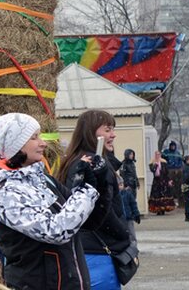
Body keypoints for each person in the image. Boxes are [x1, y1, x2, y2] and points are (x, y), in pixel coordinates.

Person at [0, 112, 99, 289]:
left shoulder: (45, 180)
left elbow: (85, 218)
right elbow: (55, 231)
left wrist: (96, 179)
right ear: (16, 145)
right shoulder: (7, 194)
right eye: (34, 137)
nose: (43, 143)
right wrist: (87, 191)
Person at [58, 110, 133, 290]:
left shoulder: (76, 160)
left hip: (85, 249)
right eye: (107, 130)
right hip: (97, 250)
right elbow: (98, 211)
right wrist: (123, 234)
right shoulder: (90, 165)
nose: (113, 134)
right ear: (91, 132)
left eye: (112, 129)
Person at [148, 151, 176, 215]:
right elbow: (152, 170)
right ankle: (158, 209)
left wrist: (169, 180)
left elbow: (166, 172)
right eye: (156, 154)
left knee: (164, 195)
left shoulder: (163, 162)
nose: (157, 156)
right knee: (157, 195)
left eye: (159, 154)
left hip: (163, 180)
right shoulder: (152, 162)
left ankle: (163, 208)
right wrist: (155, 165)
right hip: (156, 181)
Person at [118, 176, 141, 244]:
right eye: (118, 185)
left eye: (121, 185)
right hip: (119, 218)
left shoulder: (127, 194)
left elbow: (133, 205)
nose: (119, 187)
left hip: (128, 218)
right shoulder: (114, 195)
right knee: (122, 233)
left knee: (131, 233)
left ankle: (133, 246)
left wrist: (136, 214)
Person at [162, 141, 184, 206]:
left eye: (174, 146)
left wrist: (179, 167)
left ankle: (179, 201)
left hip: (177, 170)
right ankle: (170, 200)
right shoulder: (166, 152)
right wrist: (168, 165)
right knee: (170, 185)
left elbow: (180, 161)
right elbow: (163, 160)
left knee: (178, 185)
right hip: (169, 169)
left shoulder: (178, 153)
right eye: (171, 146)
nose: (173, 147)